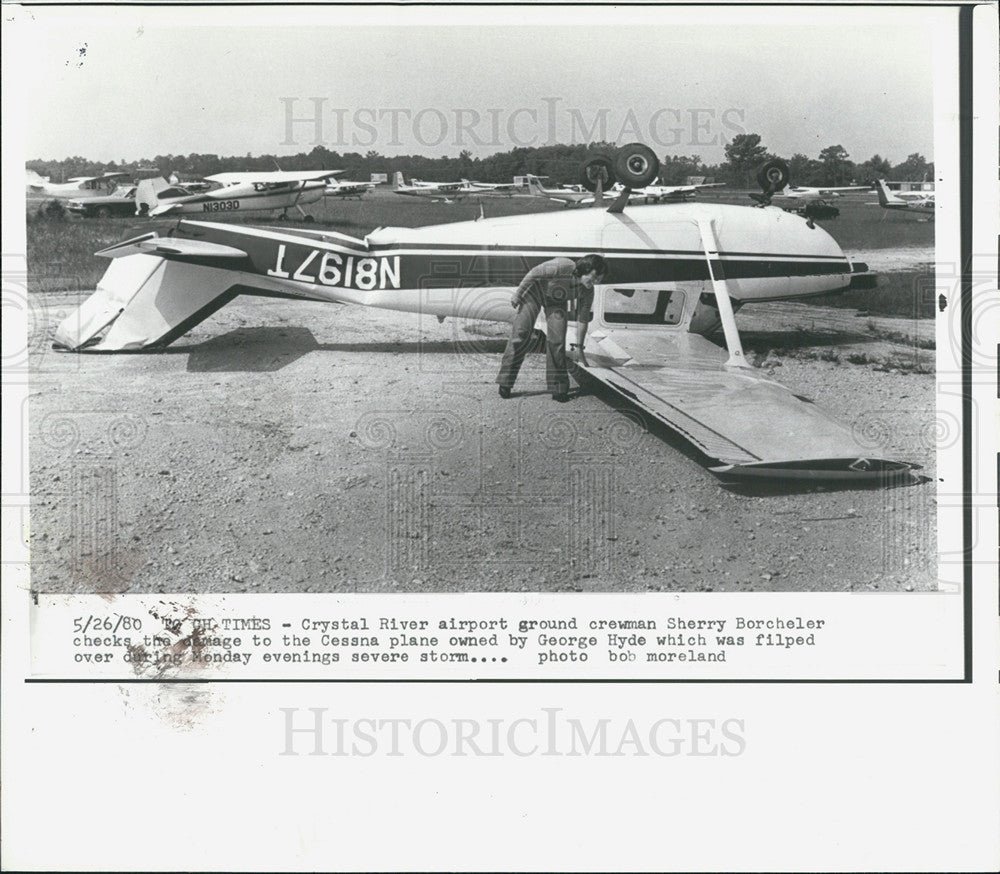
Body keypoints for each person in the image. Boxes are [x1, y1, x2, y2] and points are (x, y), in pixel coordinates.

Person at [496, 254, 607, 402]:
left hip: (556, 302)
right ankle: (505, 382)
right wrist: (518, 294)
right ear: (584, 270)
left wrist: (580, 347)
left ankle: (558, 387)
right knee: (521, 334)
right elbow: (534, 273)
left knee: (557, 341)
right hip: (534, 293)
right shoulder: (563, 266)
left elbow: (583, 319)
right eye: (593, 277)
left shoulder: (587, 291)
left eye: (598, 280)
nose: (594, 282)